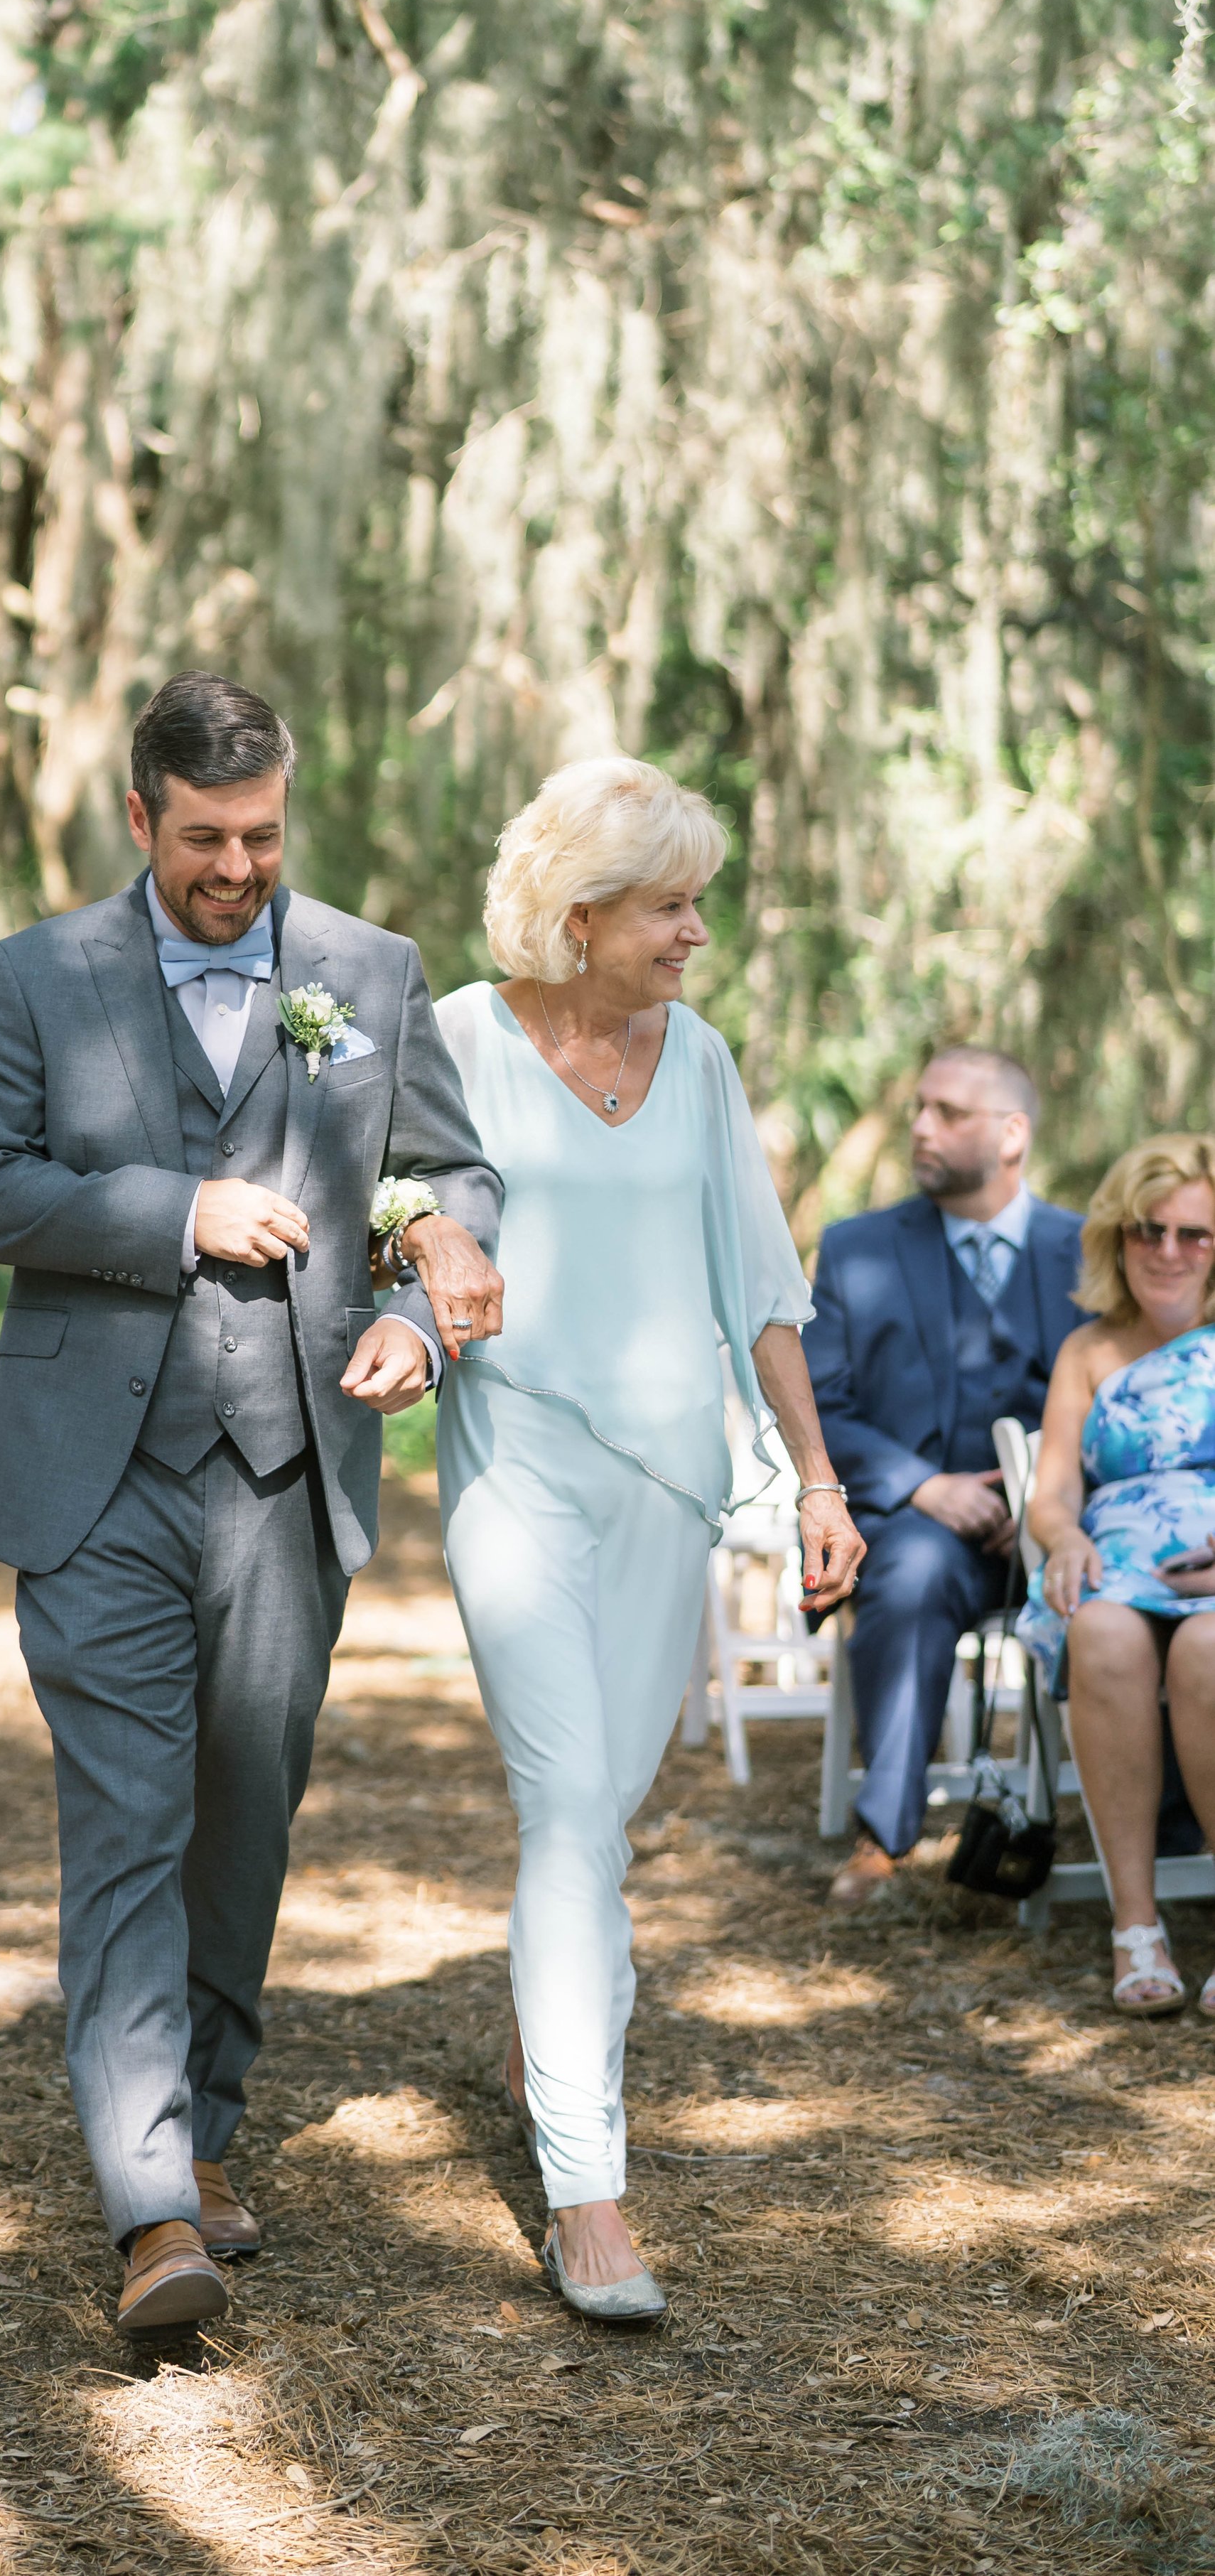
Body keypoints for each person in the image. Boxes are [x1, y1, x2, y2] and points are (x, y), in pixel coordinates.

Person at [0, 672, 504, 2333]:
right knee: (129, 1823)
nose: (237, 867)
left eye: (262, 834)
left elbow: (449, 1176)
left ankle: (206, 2117)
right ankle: (153, 2206)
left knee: (245, 1811)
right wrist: (177, 1206)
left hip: (287, 1467)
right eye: (203, 837)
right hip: (96, 1477)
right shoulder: (40, 973)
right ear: (139, 816)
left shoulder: (370, 971)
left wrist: (420, 1293)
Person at [431, 757, 863, 2323]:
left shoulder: (699, 1060)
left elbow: (758, 1286)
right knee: (563, 1811)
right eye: (668, 905)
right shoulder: (458, 1041)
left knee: (601, 1818)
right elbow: (389, 1222)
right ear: (577, 913)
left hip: (670, 1481)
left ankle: (548, 2022)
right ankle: (587, 2193)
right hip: (517, 1464)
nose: (694, 931)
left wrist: (813, 1483)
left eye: (695, 903)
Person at [804, 1048, 1084, 1907]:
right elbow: (820, 1405)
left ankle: (1169, 1836)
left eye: (949, 1112)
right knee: (915, 1571)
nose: (921, 1126)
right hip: (921, 1525)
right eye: (919, 1106)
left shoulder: (1089, 1249)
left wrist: (1042, 1498)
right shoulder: (857, 1249)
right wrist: (925, 1486)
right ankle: (884, 1833)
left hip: (1062, 1522)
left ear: (1011, 1134)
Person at [1019, 1136, 1215, 2017]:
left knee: (1207, 1651)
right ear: (1116, 1237)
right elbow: (1052, 1488)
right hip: (1115, 1565)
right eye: (1149, 1230)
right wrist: (1060, 1537)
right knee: (1097, 1632)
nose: (1168, 1251)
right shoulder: (1087, 1352)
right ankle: (1135, 1926)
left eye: (1194, 1234)